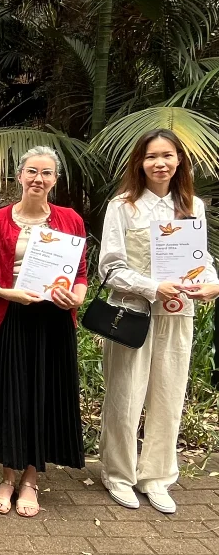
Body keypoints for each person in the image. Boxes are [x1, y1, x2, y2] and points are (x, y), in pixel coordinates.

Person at [98, 129, 219, 514]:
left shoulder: (192, 206)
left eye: (167, 155)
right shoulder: (123, 206)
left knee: (168, 397)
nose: (160, 163)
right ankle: (118, 474)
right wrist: (153, 287)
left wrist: (213, 283)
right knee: (125, 395)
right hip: (132, 314)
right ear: (140, 162)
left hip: (178, 314)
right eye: (151, 156)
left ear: (180, 160)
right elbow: (110, 268)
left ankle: (158, 477)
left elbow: (202, 262)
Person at [0, 146, 88, 517]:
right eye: (32, 171)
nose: (39, 179)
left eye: (47, 173)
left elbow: (81, 274)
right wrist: (7, 292)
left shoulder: (71, 220)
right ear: (20, 176)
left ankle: (31, 480)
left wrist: (77, 298)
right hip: (10, 317)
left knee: (42, 397)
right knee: (11, 397)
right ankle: (7, 476)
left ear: (55, 180)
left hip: (54, 322)